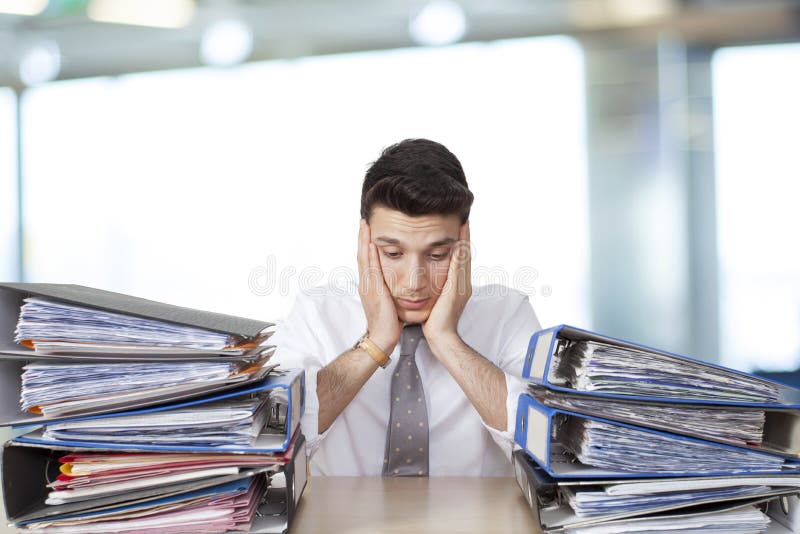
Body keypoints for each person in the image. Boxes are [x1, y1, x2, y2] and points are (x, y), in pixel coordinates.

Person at [270, 138, 541, 476]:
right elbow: (274, 437)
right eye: (393, 253)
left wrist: (446, 340)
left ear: (464, 243)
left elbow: (545, 445)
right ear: (365, 241)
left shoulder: (507, 314)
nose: (414, 281)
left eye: (437, 255)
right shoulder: (316, 313)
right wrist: (376, 342)